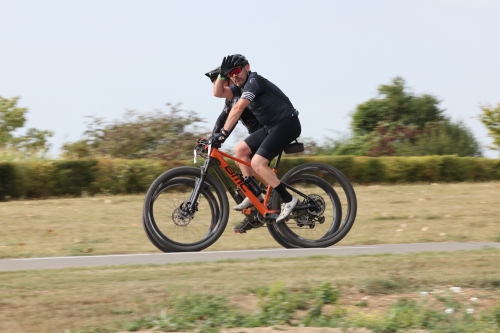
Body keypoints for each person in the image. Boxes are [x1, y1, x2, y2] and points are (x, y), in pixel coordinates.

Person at [212, 54, 301, 223]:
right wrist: (222, 76)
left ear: (247, 67)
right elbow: (218, 93)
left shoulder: (254, 81)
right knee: (240, 150)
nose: (234, 76)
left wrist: (223, 134)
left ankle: (289, 200)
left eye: (237, 71)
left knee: (257, 163)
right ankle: (254, 194)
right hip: (271, 127)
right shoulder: (239, 86)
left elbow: (238, 108)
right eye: (231, 74)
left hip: (287, 123)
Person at [205, 66, 265, 233]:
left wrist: (220, 137)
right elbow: (222, 120)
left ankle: (275, 192)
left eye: (219, 82)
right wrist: (212, 140)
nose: (218, 86)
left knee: (244, 168)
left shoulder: (239, 93)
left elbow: (230, 122)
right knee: (241, 183)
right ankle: (254, 215)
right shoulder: (231, 99)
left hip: (264, 136)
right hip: (256, 138)